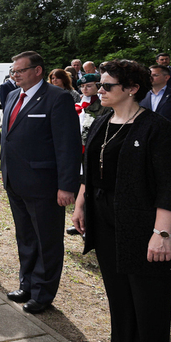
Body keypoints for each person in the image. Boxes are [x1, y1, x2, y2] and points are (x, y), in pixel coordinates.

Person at [72, 59, 171, 342]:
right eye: (99, 84)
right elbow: (90, 170)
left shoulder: (158, 129)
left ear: (133, 89)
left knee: (148, 299)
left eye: (107, 86)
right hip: (105, 219)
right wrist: (82, 204)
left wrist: (162, 232)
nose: (100, 90)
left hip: (142, 223)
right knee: (118, 293)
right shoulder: (101, 121)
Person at [0, 51, 82, 314]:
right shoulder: (13, 95)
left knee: (46, 240)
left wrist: (67, 185)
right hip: (15, 181)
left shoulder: (57, 98)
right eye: (14, 71)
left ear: (37, 70)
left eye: (20, 71)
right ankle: (27, 284)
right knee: (25, 237)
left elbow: (67, 145)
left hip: (45, 184)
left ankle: (43, 293)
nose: (15, 75)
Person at [67, 73, 111, 236]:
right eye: (82, 86)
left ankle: (92, 224)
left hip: (94, 152)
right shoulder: (78, 104)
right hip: (78, 152)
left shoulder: (104, 106)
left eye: (89, 86)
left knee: (92, 189)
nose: (85, 89)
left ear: (98, 86)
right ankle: (81, 221)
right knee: (80, 187)